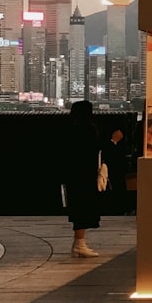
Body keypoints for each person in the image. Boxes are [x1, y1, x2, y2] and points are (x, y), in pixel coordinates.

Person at [64, 99, 102, 258]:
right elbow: (94, 149)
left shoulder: (70, 128)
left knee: (78, 208)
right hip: (85, 175)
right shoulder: (88, 129)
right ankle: (79, 243)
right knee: (84, 208)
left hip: (73, 175)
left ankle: (79, 243)